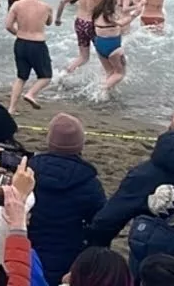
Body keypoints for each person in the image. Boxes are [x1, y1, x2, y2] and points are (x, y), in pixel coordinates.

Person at [89, 108, 174, 246]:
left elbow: (107, 221)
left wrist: (98, 255)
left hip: (153, 254)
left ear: (169, 130)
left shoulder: (142, 175)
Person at [30, 113, 106, 285]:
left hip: (29, 249)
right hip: (69, 256)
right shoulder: (89, 184)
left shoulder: (27, 173)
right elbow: (101, 223)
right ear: (80, 145)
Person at [4, 0, 53, 113]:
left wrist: (18, 33)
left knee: (21, 77)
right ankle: (31, 93)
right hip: (37, 44)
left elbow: (8, 25)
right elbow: (49, 22)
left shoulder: (16, 5)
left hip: (20, 43)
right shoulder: (46, 7)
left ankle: (12, 108)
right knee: (46, 76)